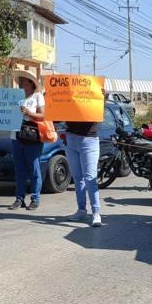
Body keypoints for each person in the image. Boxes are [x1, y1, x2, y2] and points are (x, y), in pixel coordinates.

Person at [64, 94, 106, 228]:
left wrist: (101, 98)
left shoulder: (92, 97)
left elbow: (98, 115)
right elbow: (58, 117)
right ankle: (81, 210)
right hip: (71, 138)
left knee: (90, 178)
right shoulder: (69, 100)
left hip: (89, 140)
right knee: (77, 178)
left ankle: (96, 213)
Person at [9, 70, 45, 211]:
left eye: (24, 81)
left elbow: (43, 115)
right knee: (19, 169)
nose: (21, 83)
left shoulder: (37, 97)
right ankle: (19, 199)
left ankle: (35, 198)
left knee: (34, 168)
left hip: (31, 136)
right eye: (20, 81)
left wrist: (29, 113)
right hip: (15, 135)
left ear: (31, 83)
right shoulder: (16, 97)